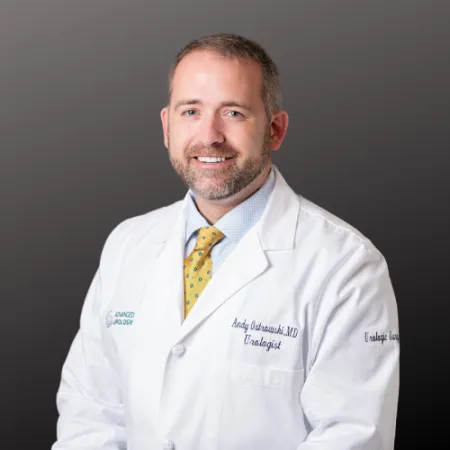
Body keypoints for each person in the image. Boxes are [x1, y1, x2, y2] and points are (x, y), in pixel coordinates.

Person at [52, 33, 400, 450]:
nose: (210, 135)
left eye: (233, 112)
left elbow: (352, 436)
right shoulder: (127, 244)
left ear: (275, 129)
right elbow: (91, 413)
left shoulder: (346, 265)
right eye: (191, 111)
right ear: (166, 126)